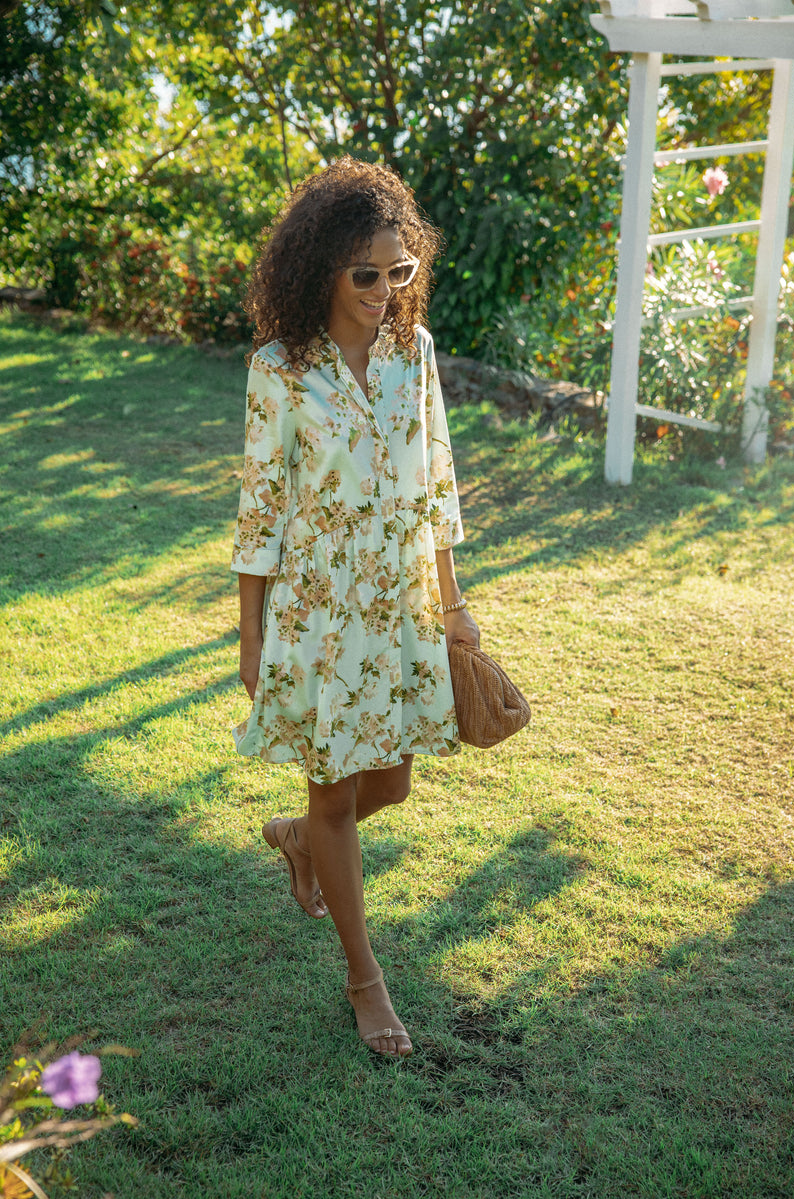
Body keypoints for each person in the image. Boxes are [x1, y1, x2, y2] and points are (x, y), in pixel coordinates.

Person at [230, 156, 480, 1059]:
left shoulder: (414, 353)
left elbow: (436, 480)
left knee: (393, 781)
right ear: (322, 268)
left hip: (401, 604)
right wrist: (251, 635)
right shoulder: (280, 370)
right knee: (336, 790)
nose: (385, 292)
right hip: (321, 612)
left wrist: (453, 604)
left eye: (400, 271)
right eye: (366, 276)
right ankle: (364, 980)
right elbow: (262, 508)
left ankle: (301, 838)